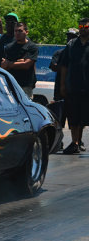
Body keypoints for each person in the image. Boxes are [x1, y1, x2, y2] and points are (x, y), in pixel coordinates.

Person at [60, 18, 89, 154]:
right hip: (73, 85)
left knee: (83, 117)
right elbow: (64, 66)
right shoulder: (71, 44)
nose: (82, 28)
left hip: (87, 87)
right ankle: (74, 142)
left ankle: (79, 141)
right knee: (73, 116)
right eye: (80, 26)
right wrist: (63, 85)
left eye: (85, 26)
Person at [49, 28, 79, 151]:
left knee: (75, 118)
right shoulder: (59, 52)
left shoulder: (79, 52)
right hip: (60, 91)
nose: (69, 39)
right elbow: (53, 67)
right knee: (59, 118)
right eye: (68, 36)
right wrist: (66, 65)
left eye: (72, 37)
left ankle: (77, 142)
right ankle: (58, 142)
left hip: (74, 90)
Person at [1, 22, 38, 99]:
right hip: (11, 84)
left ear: (26, 32)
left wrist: (10, 64)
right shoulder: (9, 47)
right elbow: (4, 65)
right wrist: (19, 62)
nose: (17, 33)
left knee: (25, 108)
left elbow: (26, 65)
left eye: (20, 31)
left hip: (26, 85)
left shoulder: (32, 47)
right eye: (16, 31)